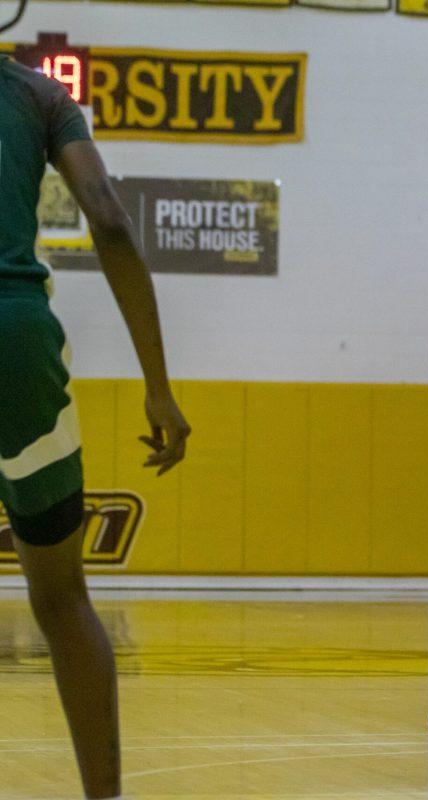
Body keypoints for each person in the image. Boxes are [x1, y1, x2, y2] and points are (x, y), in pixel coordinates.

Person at [0, 54, 190, 800]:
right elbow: (108, 218)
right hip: (18, 348)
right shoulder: (40, 94)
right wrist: (158, 388)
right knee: (63, 599)